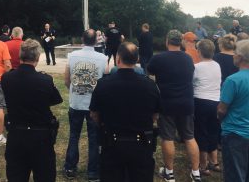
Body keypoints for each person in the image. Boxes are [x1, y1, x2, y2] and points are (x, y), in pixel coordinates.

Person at [90, 42, 160, 182]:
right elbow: (155, 115)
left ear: (118, 59)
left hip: (112, 145)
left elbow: (94, 114)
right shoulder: (150, 86)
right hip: (141, 146)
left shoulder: (103, 84)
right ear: (137, 60)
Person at [1, 39, 63, 182]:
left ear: (20, 56)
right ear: (37, 57)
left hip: (16, 135)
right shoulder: (45, 80)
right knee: (44, 176)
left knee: (16, 176)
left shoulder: (7, 78)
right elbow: (56, 99)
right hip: (40, 137)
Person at [147, 30, 201, 182]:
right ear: (181, 42)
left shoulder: (159, 58)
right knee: (190, 137)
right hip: (187, 102)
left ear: (167, 41)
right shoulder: (188, 59)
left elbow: (149, 72)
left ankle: (169, 173)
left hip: (167, 103)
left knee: (168, 137)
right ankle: (196, 173)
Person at [63, 29, 108, 181]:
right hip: (94, 105)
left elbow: (66, 80)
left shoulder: (72, 56)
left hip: (76, 103)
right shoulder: (103, 58)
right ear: (96, 40)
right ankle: (93, 172)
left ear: (82, 39)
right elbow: (104, 82)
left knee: (74, 135)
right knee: (94, 138)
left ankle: (70, 167)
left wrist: (74, 91)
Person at [217, 40, 249, 182]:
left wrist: (220, 119)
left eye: (235, 53)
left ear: (241, 57)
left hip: (234, 133)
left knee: (235, 175)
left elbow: (222, 109)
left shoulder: (232, 80)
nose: (233, 56)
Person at [192, 39, 222, 176]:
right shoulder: (217, 65)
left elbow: (191, 83)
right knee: (213, 130)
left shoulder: (197, 67)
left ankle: (203, 166)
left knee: (201, 132)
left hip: (201, 102)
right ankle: (214, 162)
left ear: (199, 52)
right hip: (216, 101)